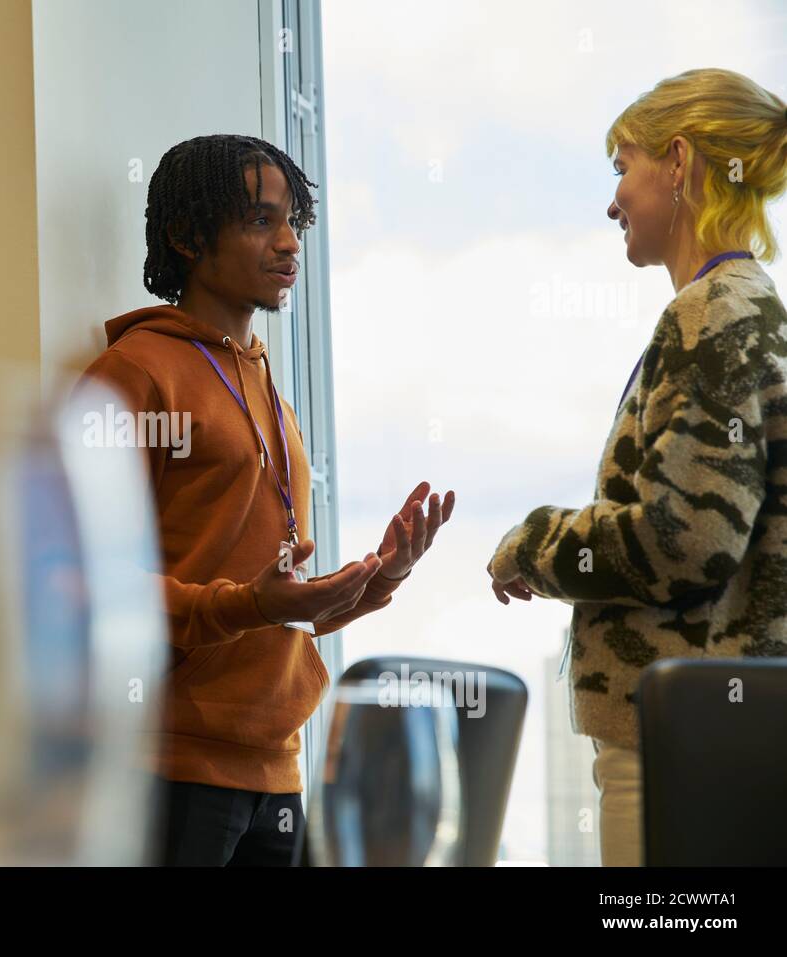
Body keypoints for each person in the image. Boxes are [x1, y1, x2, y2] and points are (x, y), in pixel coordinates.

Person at [78, 133, 454, 866]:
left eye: (294, 223)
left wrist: (379, 577)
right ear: (189, 236)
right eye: (259, 221)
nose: (288, 243)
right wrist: (252, 604)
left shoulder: (266, 387)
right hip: (169, 763)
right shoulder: (133, 375)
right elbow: (87, 589)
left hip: (277, 761)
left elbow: (280, 604)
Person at [487, 69, 787, 866]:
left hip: (684, 742)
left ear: (679, 163)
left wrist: (534, 544)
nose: (612, 199)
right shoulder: (737, 307)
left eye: (622, 167)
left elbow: (685, 539)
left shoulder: (714, 316)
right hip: (714, 731)